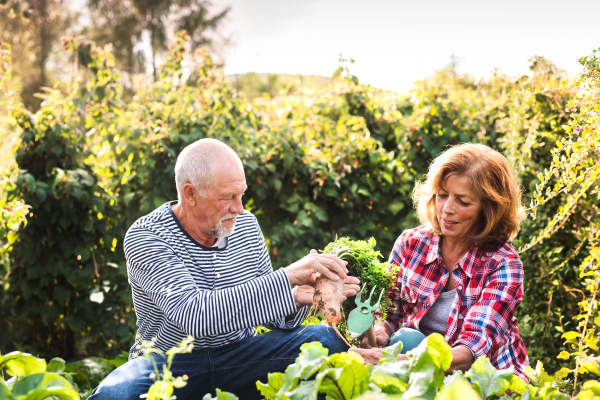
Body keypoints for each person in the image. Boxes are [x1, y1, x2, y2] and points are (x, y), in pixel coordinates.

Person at [89, 138, 360, 400]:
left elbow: (277, 321)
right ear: (190, 194)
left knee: (326, 342)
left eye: (241, 195)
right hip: (168, 362)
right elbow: (196, 315)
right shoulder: (147, 237)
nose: (239, 209)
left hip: (240, 356)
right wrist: (287, 276)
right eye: (227, 197)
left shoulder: (246, 226)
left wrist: (297, 298)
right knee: (115, 395)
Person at [350, 143, 529, 381]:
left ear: (489, 210)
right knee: (406, 337)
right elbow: (390, 315)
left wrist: (392, 361)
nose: (447, 209)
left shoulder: (503, 264)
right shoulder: (410, 244)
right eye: (443, 195)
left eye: (463, 202)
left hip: (482, 377)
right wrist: (380, 333)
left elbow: (469, 353)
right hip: (419, 362)